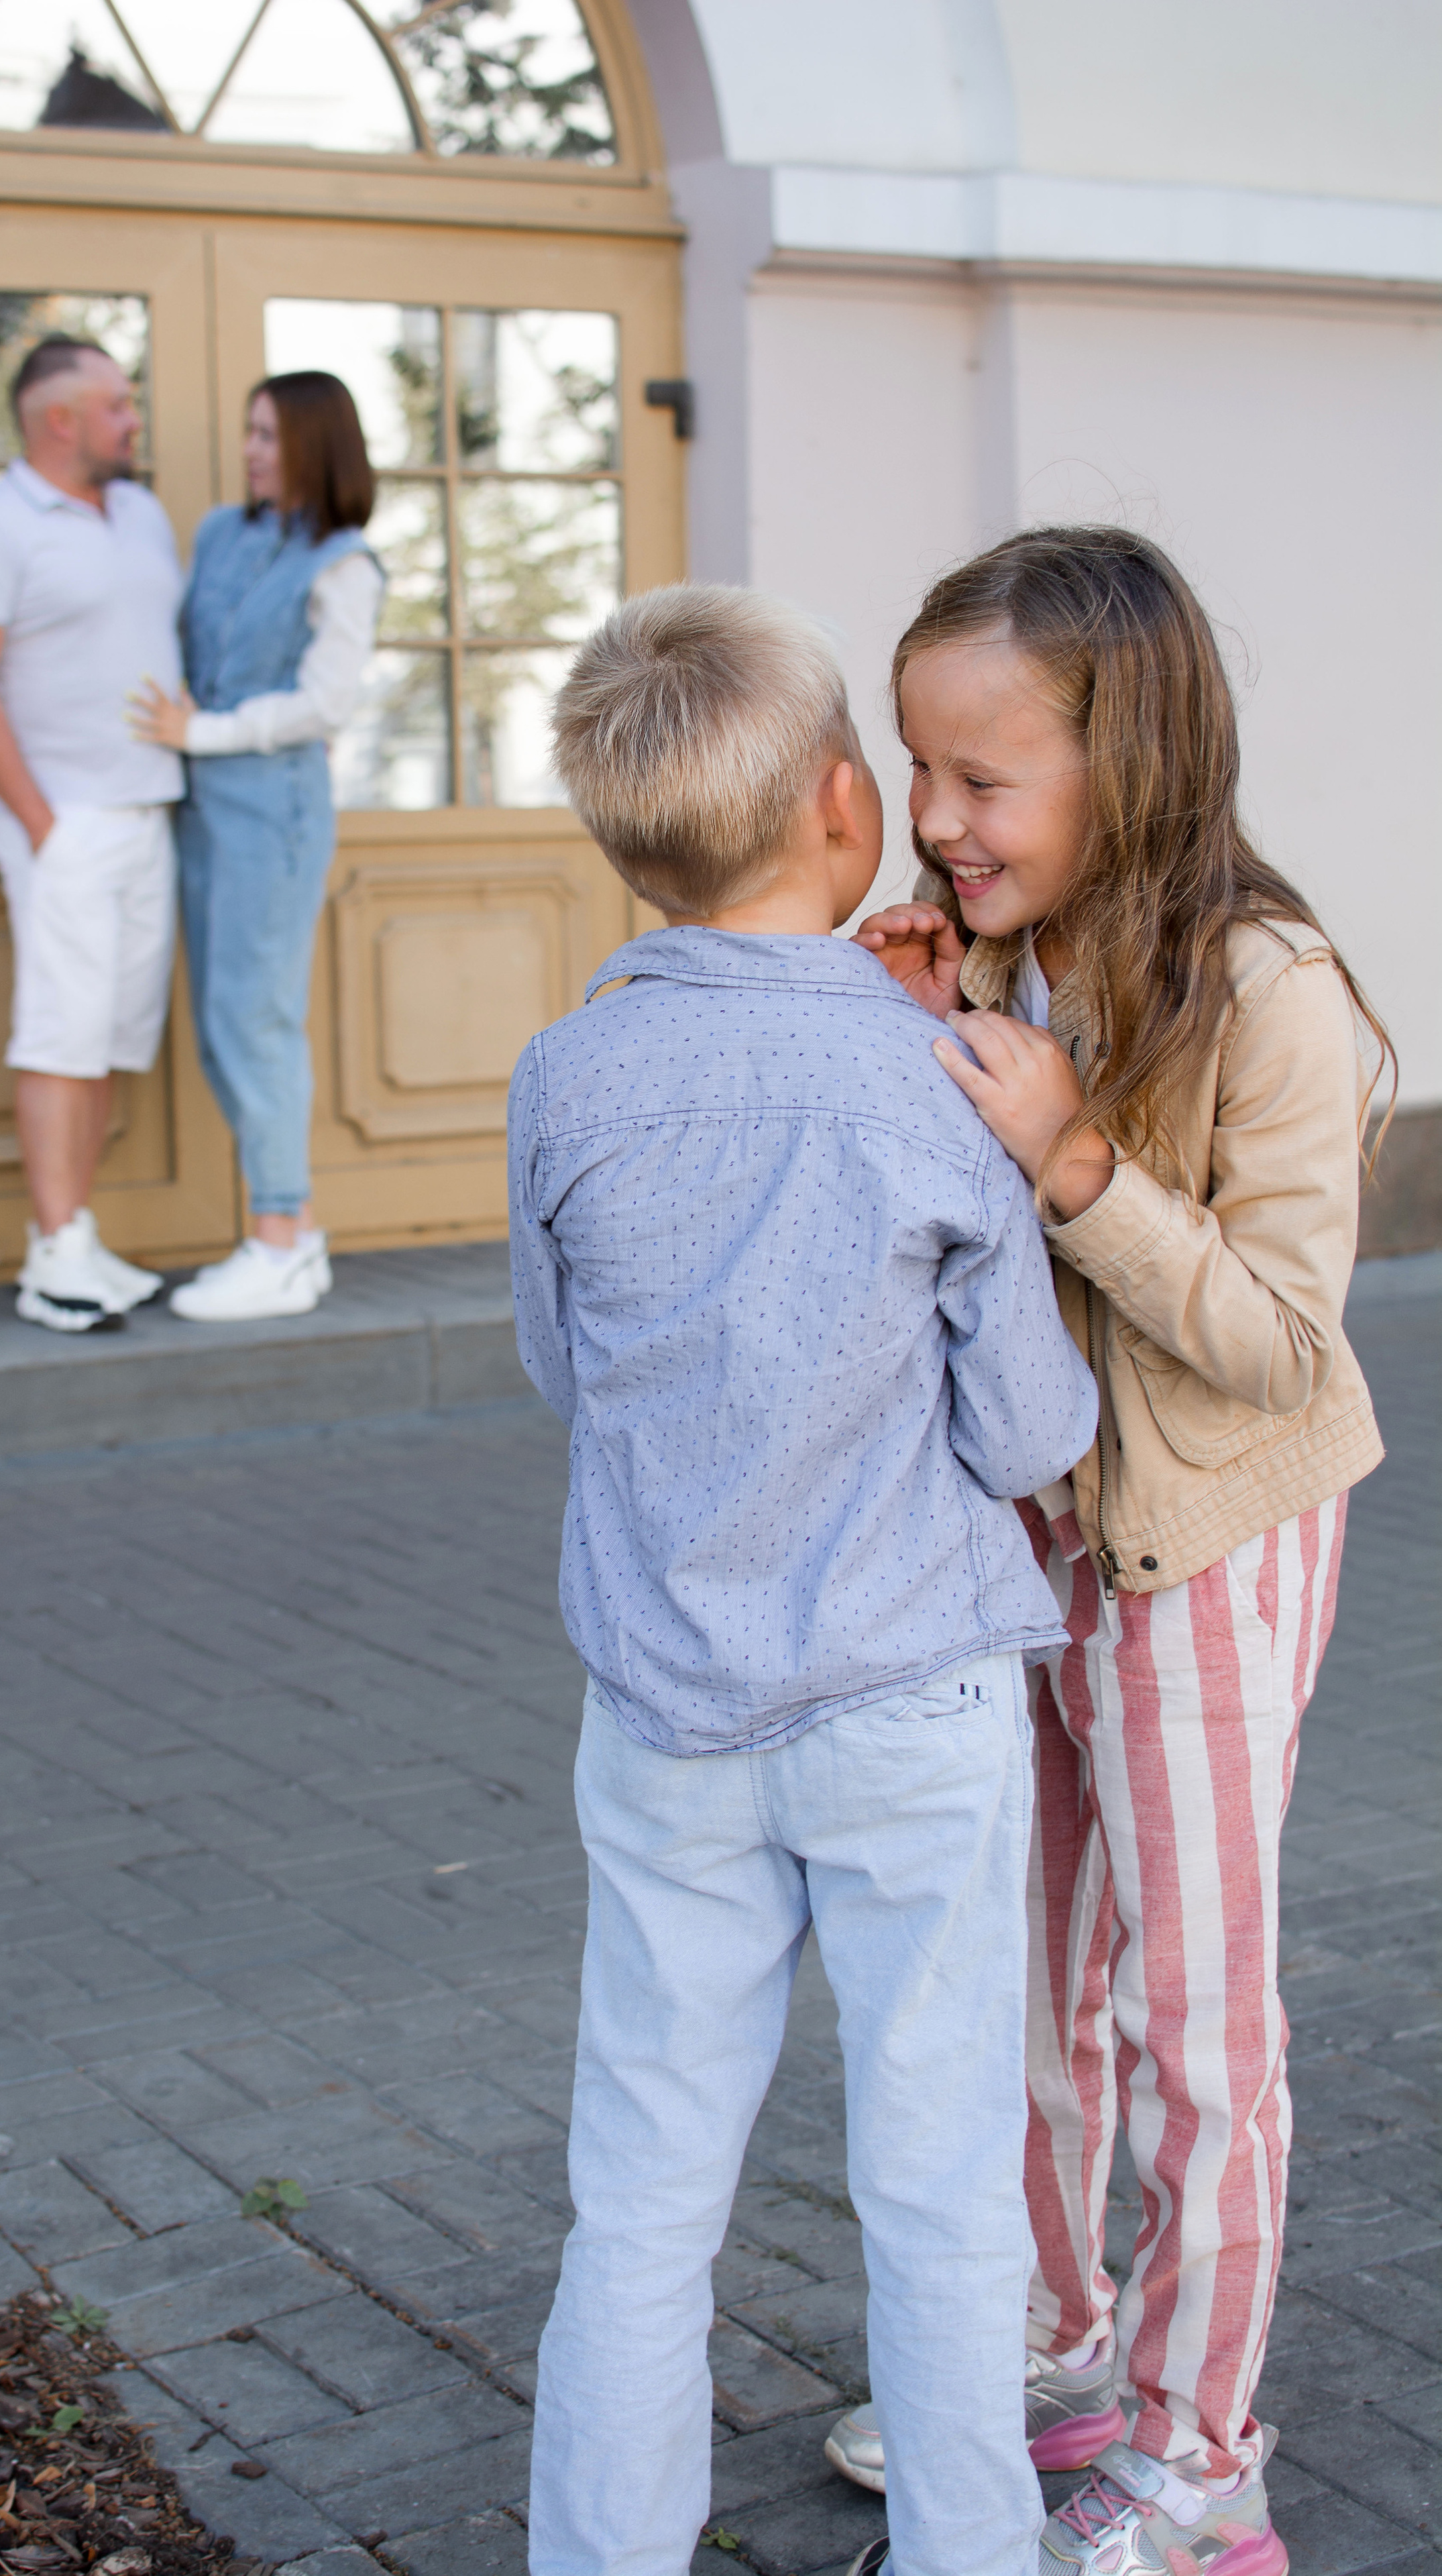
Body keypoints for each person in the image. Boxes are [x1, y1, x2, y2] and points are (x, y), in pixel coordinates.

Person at [512, 585, 1100, 2576]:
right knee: (939, 2189)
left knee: (643, 2190)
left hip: (667, 1708)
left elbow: (557, 1367)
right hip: (910, 1700)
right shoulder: (923, 1077)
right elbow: (1027, 1431)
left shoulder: (560, 1081)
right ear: (848, 806)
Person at [824, 527, 1389, 2576]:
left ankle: (1195, 2451)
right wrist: (907, 1042)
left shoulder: (1267, 989)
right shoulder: (996, 957)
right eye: (917, 771)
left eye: (984, 778)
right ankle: (1052, 2359)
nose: (940, 821)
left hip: (1203, 1556)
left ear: (1125, 757)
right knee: (1016, 1988)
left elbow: (1274, 1338)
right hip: (1023, 1550)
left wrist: (1070, 1155)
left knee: (1194, 2023)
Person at [0, 335, 185, 1334]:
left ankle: (77, 1235)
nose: (134, 420)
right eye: (118, 405)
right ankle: (53, 1260)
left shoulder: (141, 513)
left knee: (114, 1038)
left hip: (148, 809)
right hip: (64, 821)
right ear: (60, 419)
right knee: (60, 1035)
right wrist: (43, 824)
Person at [129, 372, 382, 1322]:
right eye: (249, 432)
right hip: (199, 808)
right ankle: (292, 1240)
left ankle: (283, 1238)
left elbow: (327, 706)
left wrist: (204, 733)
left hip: (271, 814)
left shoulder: (344, 564)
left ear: (316, 446)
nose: (251, 451)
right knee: (219, 1023)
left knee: (253, 1021)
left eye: (269, 436)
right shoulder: (221, 536)